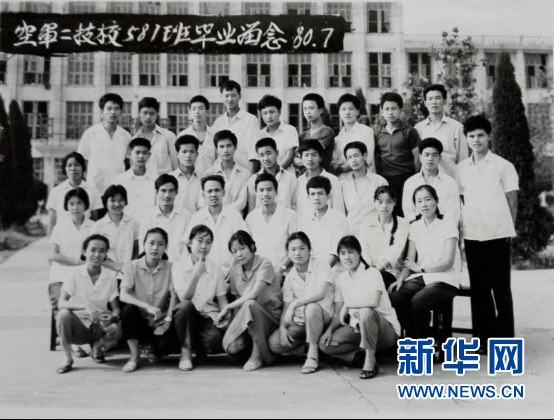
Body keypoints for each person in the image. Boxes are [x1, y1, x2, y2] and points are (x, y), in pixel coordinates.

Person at [456, 115, 519, 351]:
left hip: (498, 234)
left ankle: (504, 341)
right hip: (473, 235)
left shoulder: (503, 166)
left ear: (488, 136)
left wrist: (508, 229)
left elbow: (512, 200)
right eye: (471, 136)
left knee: (501, 288)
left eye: (480, 135)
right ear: (466, 138)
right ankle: (483, 339)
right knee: (479, 289)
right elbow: (462, 199)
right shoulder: (462, 168)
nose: (476, 140)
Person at [320, 236, 401, 380]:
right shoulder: (341, 279)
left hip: (384, 330)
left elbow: (373, 302)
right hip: (358, 328)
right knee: (326, 345)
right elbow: (339, 312)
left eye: (351, 252)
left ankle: (370, 362)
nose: (347, 257)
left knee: (365, 312)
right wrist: (329, 330)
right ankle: (360, 355)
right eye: (342, 253)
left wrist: (348, 305)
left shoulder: (372, 273)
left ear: (359, 253)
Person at [388, 185, 461, 343]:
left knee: (419, 302)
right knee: (396, 296)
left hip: (445, 279)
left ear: (436, 201)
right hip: (422, 278)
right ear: (415, 206)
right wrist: (400, 280)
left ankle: (423, 345)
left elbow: (448, 262)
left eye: (428, 199)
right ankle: (415, 339)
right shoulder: (415, 226)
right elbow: (409, 261)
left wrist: (421, 268)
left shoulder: (448, 225)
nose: (424, 204)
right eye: (419, 201)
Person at [268, 232, 335, 375]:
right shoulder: (290, 277)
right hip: (301, 322)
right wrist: (282, 328)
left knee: (311, 308)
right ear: (288, 253)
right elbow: (286, 306)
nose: (297, 253)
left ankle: (312, 356)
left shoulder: (321, 265)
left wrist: (297, 303)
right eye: (293, 249)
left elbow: (321, 293)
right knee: (274, 344)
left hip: (322, 316)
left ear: (310, 250)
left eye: (302, 248)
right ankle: (313, 344)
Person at [56, 234, 123, 374]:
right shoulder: (74, 273)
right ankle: (67, 358)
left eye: (102, 251)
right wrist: (85, 305)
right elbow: (61, 303)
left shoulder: (110, 277)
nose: (97, 255)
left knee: (117, 326)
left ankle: (98, 347)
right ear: (84, 252)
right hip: (79, 327)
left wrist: (112, 317)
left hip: (100, 327)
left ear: (106, 254)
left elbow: (116, 309)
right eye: (92, 250)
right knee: (63, 315)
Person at [218, 231, 283, 371]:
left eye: (242, 248)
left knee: (250, 304)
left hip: (271, 316)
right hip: (247, 318)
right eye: (234, 251)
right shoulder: (235, 271)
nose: (239, 254)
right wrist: (234, 326)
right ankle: (259, 348)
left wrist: (227, 307)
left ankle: (257, 357)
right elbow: (237, 300)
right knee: (232, 346)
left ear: (252, 247)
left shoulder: (265, 263)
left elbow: (253, 294)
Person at [120, 228, 179, 373]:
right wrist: (147, 306)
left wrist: (167, 321)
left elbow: (174, 296)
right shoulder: (132, 266)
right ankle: (134, 356)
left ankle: (153, 347)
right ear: (144, 244)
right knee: (129, 310)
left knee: (164, 347)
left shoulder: (171, 267)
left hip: (159, 322)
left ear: (165, 247)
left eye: (160, 244)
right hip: (139, 320)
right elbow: (123, 295)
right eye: (151, 243)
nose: (155, 248)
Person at [172, 225, 230, 371]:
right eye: (200, 241)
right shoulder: (178, 266)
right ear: (189, 243)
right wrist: (196, 274)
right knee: (185, 306)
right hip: (187, 316)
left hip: (207, 316)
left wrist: (226, 317)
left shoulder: (215, 268)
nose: (204, 246)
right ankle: (185, 353)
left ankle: (199, 348)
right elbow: (184, 298)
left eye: (208, 242)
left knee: (215, 340)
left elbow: (222, 299)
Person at [183, 175, 248, 275]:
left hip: (230, 273)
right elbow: (187, 248)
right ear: (203, 195)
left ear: (224, 192)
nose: (213, 194)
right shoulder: (196, 218)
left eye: (217, 190)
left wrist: (233, 270)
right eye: (209, 191)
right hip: (203, 274)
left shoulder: (234, 216)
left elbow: (243, 245)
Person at [49, 188, 97, 319]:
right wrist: (76, 262)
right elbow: (54, 255)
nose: (75, 207)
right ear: (66, 205)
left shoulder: (94, 227)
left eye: (79, 203)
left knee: (87, 310)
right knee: (62, 311)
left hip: (85, 276)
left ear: (86, 205)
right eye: (71, 203)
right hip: (61, 275)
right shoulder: (60, 226)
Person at [375, 92, 421, 216]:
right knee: (387, 214)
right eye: (387, 109)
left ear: (400, 110)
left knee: (405, 213)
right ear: (382, 111)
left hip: (405, 178)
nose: (390, 112)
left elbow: (417, 159)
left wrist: (414, 179)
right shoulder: (377, 132)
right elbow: (376, 157)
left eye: (394, 108)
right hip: (385, 180)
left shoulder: (409, 131)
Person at [77, 93, 132, 194]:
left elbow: (129, 162)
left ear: (121, 112)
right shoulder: (91, 133)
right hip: (95, 189)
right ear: (102, 112)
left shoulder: (126, 136)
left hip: (118, 189)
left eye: (116, 109)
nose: (113, 112)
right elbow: (82, 160)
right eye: (109, 108)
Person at [245, 173, 297, 276]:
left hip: (284, 273)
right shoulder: (251, 218)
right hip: (258, 274)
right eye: (261, 190)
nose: (265, 194)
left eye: (269, 190)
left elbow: (295, 247)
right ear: (256, 192)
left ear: (276, 192)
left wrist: (282, 269)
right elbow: (248, 249)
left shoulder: (290, 215)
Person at [360, 186, 410, 290]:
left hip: (391, 273)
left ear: (395, 202)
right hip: (370, 271)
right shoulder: (367, 223)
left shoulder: (403, 223)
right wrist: (370, 268)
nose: (384, 206)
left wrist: (378, 269)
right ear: (374, 202)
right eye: (380, 202)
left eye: (388, 202)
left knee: (373, 281)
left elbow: (395, 250)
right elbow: (364, 249)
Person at [414, 84, 468, 179]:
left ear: (444, 101)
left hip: (450, 180)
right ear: (425, 103)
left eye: (438, 98)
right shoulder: (418, 128)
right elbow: (417, 159)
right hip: (426, 182)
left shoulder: (457, 127)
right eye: (430, 99)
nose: (434, 102)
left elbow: (463, 160)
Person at [402, 138, 461, 224]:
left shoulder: (450, 182)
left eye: (434, 155)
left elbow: (453, 214)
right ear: (420, 157)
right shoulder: (410, 183)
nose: (430, 158)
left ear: (440, 158)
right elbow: (408, 213)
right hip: (418, 229)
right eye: (426, 155)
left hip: (444, 229)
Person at [297, 176, 349, 268]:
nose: (316, 198)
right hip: (310, 271)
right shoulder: (303, 219)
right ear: (308, 197)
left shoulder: (339, 217)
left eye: (320, 193)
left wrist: (322, 271)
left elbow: (337, 251)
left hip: (335, 271)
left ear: (328, 196)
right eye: (312, 194)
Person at [46, 152, 102, 237]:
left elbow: (95, 219)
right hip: (62, 237)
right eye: (69, 165)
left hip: (85, 236)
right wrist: (50, 241)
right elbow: (52, 221)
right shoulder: (56, 191)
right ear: (64, 169)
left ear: (83, 168)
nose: (73, 168)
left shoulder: (93, 191)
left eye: (77, 165)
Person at [139, 174, 191, 263]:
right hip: (155, 267)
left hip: (180, 267)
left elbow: (188, 247)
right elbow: (143, 248)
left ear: (176, 192)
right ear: (156, 192)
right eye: (163, 191)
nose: (167, 195)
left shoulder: (186, 216)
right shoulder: (147, 217)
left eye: (171, 191)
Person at [339, 142, 389, 235]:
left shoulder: (379, 181)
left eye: (356, 155)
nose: (353, 160)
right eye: (349, 157)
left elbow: (386, 211)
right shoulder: (344, 184)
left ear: (365, 156)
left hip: (374, 231)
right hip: (351, 232)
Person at [212, 80, 260, 173]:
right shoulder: (218, 122)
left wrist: (249, 178)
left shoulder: (250, 119)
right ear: (221, 97)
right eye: (226, 96)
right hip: (222, 174)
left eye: (233, 95)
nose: (230, 99)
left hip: (244, 173)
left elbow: (254, 154)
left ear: (239, 96)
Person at [92, 185, 139, 276]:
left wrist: (130, 269)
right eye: (113, 200)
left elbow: (136, 250)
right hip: (105, 276)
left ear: (125, 202)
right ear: (106, 202)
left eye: (121, 200)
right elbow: (96, 254)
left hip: (129, 275)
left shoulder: (134, 224)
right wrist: (119, 268)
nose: (117, 204)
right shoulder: (98, 227)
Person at [201, 130, 250, 213]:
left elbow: (241, 202)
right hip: (213, 217)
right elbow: (203, 202)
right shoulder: (209, 173)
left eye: (229, 146)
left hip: (236, 217)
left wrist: (224, 213)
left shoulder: (245, 174)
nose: (225, 150)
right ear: (216, 149)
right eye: (221, 147)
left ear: (235, 147)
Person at [246, 138, 298, 213]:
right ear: (258, 156)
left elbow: (295, 206)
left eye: (269, 153)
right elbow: (252, 208)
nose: (266, 158)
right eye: (261, 155)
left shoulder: (290, 178)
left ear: (277, 153)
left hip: (285, 219)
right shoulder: (253, 180)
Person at [112, 138, 156, 222]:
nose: (141, 156)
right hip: (126, 225)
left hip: (150, 225)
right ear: (129, 154)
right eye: (137, 152)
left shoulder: (155, 180)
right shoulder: (120, 181)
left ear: (149, 155)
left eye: (145, 153)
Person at [296, 140, 345, 216]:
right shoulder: (298, 181)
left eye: (314, 155)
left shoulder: (332, 180)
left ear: (320, 157)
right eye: (306, 155)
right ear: (301, 157)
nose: (310, 159)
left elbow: (339, 210)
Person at [332, 94, 376, 176]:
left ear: (357, 112)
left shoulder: (367, 131)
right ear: (339, 112)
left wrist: (341, 168)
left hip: (364, 180)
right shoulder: (337, 138)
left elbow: (367, 159)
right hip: (343, 181)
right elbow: (334, 163)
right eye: (343, 109)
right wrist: (335, 165)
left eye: (351, 109)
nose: (347, 112)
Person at [133, 97, 178, 178]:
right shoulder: (134, 140)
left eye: (152, 113)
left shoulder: (168, 136)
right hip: (143, 183)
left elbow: (176, 166)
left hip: (165, 183)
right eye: (145, 113)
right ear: (139, 113)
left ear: (157, 115)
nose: (148, 117)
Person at [258, 95, 299, 174]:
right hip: (264, 178)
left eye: (272, 112)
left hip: (286, 176)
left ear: (279, 112)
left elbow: (289, 157)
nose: (268, 116)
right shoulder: (259, 135)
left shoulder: (290, 130)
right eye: (264, 113)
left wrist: (274, 173)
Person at [177, 95, 217, 175]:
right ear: (190, 112)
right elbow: (179, 162)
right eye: (194, 109)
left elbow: (219, 161)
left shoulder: (215, 135)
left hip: (211, 179)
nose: (197, 112)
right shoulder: (183, 135)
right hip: (191, 179)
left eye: (201, 108)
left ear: (207, 111)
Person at [299, 93, 335, 173]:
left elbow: (315, 151)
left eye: (311, 108)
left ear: (320, 110)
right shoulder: (303, 135)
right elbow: (296, 157)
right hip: (304, 175)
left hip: (322, 175)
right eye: (305, 109)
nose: (308, 112)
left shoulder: (327, 131)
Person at [170, 135, 204, 215]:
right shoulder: (170, 179)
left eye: (192, 152)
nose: (188, 155)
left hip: (197, 221)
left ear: (197, 154)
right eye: (184, 152)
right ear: (177, 154)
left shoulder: (203, 179)